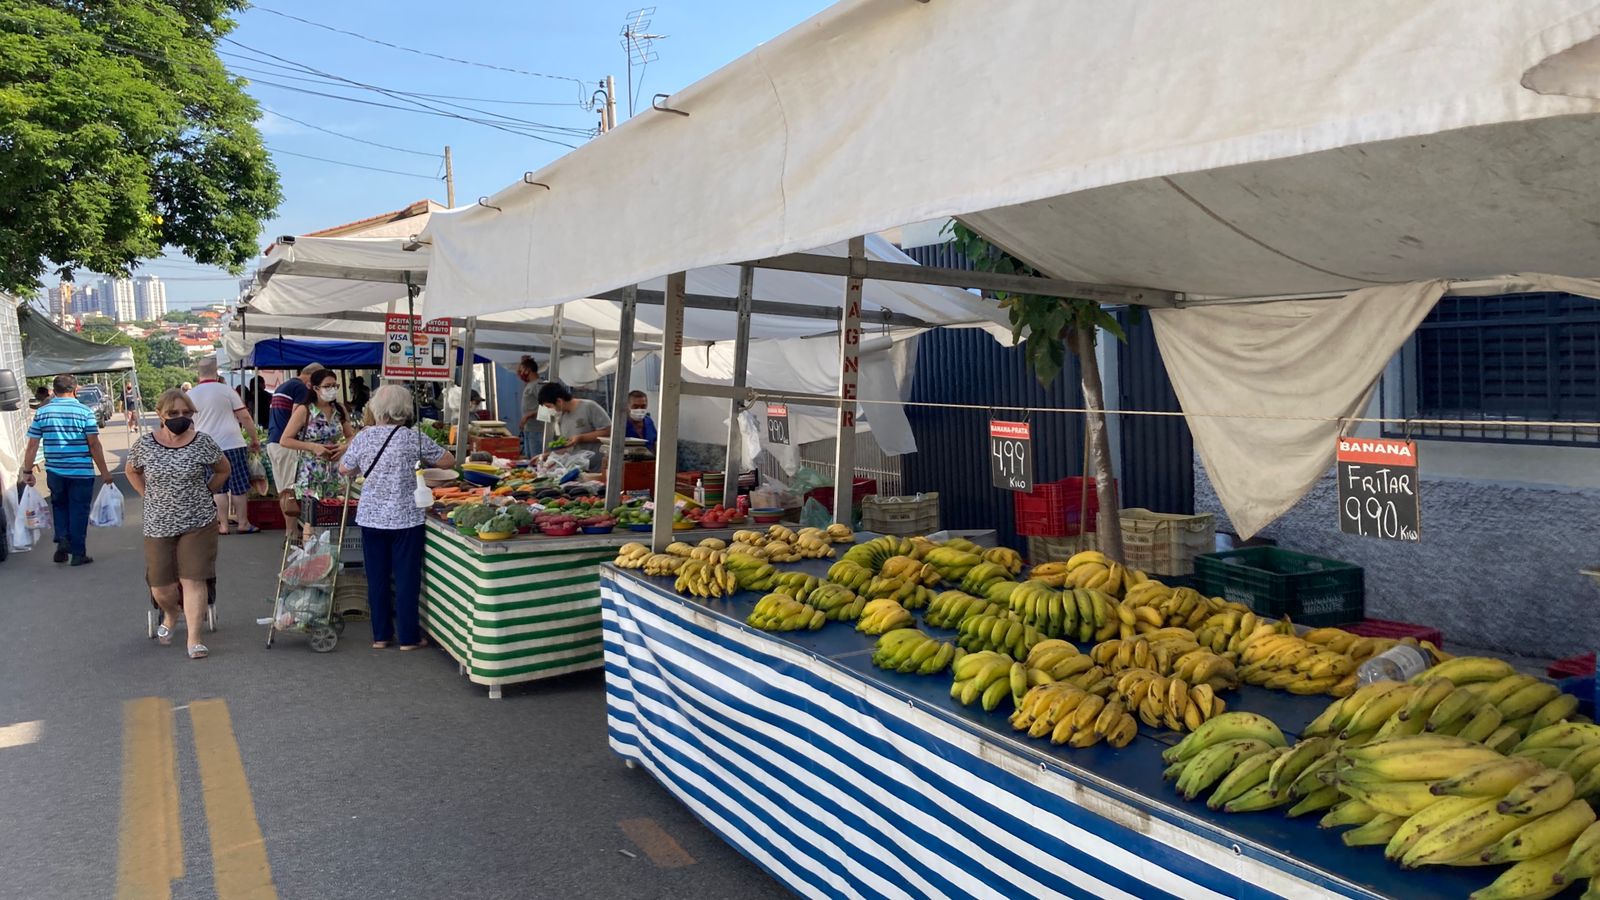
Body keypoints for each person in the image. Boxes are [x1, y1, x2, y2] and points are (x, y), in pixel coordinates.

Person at [338, 384, 455, 650]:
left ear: (377, 408)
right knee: (406, 578)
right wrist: (419, 467)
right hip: (406, 518)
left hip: (371, 517)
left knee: (377, 578)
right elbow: (448, 461)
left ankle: (380, 636)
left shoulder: (364, 437)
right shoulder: (413, 437)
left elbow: (345, 469)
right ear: (405, 409)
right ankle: (409, 638)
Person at [126, 389, 227, 659]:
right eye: (173, 413)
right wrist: (146, 494)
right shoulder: (145, 444)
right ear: (160, 414)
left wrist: (207, 490)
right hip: (158, 523)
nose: (180, 418)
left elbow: (223, 469)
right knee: (161, 585)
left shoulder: (203, 442)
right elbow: (131, 470)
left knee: (193, 578)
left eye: (186, 413)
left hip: (199, 520)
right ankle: (171, 614)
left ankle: (194, 639)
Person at [18, 374, 115, 566]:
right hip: (81, 472)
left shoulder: (43, 412)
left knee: (60, 506)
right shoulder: (84, 412)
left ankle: (62, 539)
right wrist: (105, 472)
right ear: (75, 389)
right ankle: (78, 553)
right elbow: (94, 444)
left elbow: (32, 445)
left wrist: (27, 472)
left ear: (54, 391)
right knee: (79, 510)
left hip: (55, 471)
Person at [188, 357, 261, 534]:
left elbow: (188, 424)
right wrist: (254, 439)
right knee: (239, 484)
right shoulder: (227, 391)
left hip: (206, 445)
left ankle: (223, 525)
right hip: (233, 443)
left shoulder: (190, 395)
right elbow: (245, 417)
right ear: (216, 371)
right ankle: (243, 523)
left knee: (218, 486)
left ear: (198, 374)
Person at [279, 368, 354, 542]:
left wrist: (344, 447)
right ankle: (309, 559)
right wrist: (312, 447)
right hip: (310, 472)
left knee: (332, 517)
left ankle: (329, 557)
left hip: (334, 472)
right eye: (327, 386)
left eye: (335, 386)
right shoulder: (304, 410)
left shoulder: (339, 410)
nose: (332, 389)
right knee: (311, 519)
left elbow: (351, 436)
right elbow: (285, 439)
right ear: (315, 388)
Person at [265, 363, 324, 537]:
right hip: (287, 445)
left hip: (274, 442)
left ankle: (291, 531)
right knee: (291, 490)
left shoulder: (284, 385)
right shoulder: (300, 388)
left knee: (284, 489)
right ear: (312, 376)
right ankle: (291, 532)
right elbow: (298, 416)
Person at [537, 381, 610, 472]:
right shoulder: (563, 417)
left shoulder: (589, 407)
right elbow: (567, 446)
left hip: (596, 468)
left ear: (559, 401)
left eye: (549, 406)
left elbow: (608, 431)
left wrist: (581, 438)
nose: (550, 410)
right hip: (577, 468)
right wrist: (547, 455)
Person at [516, 356, 542, 458]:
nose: (520, 373)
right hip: (529, 429)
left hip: (537, 429)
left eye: (522, 370)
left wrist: (528, 416)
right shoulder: (530, 384)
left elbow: (547, 406)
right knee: (529, 458)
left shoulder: (538, 385)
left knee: (536, 459)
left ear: (528, 370)